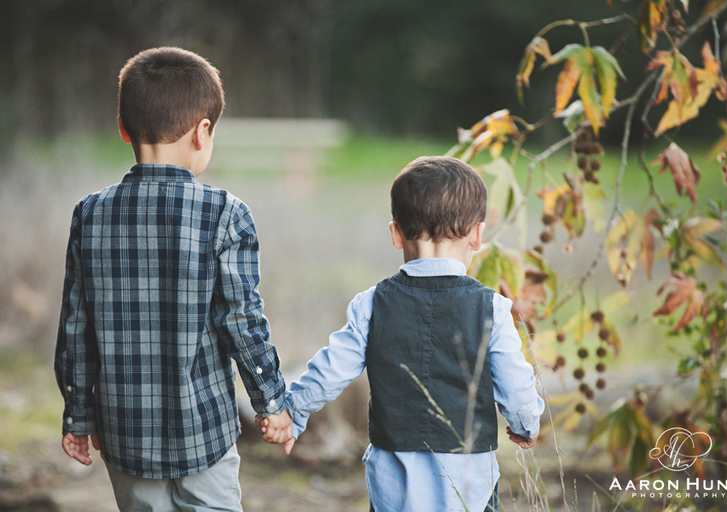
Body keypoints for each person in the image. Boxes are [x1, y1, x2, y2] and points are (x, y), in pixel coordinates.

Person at [54, 46, 291, 511]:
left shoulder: (90, 215)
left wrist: (79, 415)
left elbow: (75, 328)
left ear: (123, 128)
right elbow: (242, 321)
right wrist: (272, 401)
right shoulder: (226, 214)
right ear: (203, 132)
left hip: (125, 434)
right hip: (204, 430)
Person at [260, 156, 545, 511]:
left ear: (395, 233)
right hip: (469, 485)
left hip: (394, 485)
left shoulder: (372, 304)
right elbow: (516, 385)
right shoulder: (493, 309)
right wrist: (526, 423)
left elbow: (331, 369)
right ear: (477, 234)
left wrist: (292, 411)